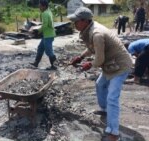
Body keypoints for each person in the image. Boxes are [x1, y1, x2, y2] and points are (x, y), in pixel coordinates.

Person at [67, 7, 132, 141]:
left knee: (112, 98)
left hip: (120, 66)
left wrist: (89, 65)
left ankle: (114, 133)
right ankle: (105, 109)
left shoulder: (97, 33)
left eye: (76, 21)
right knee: (100, 84)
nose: (75, 24)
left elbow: (99, 59)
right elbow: (92, 49)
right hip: (111, 64)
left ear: (84, 21)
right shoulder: (90, 29)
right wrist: (80, 57)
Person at [29, 0, 57, 70]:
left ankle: (54, 65)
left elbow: (45, 25)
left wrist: (38, 31)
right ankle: (36, 63)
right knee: (40, 48)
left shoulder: (45, 13)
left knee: (48, 51)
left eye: (40, 5)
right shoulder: (49, 11)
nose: (39, 7)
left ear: (44, 6)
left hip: (48, 35)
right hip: (48, 34)